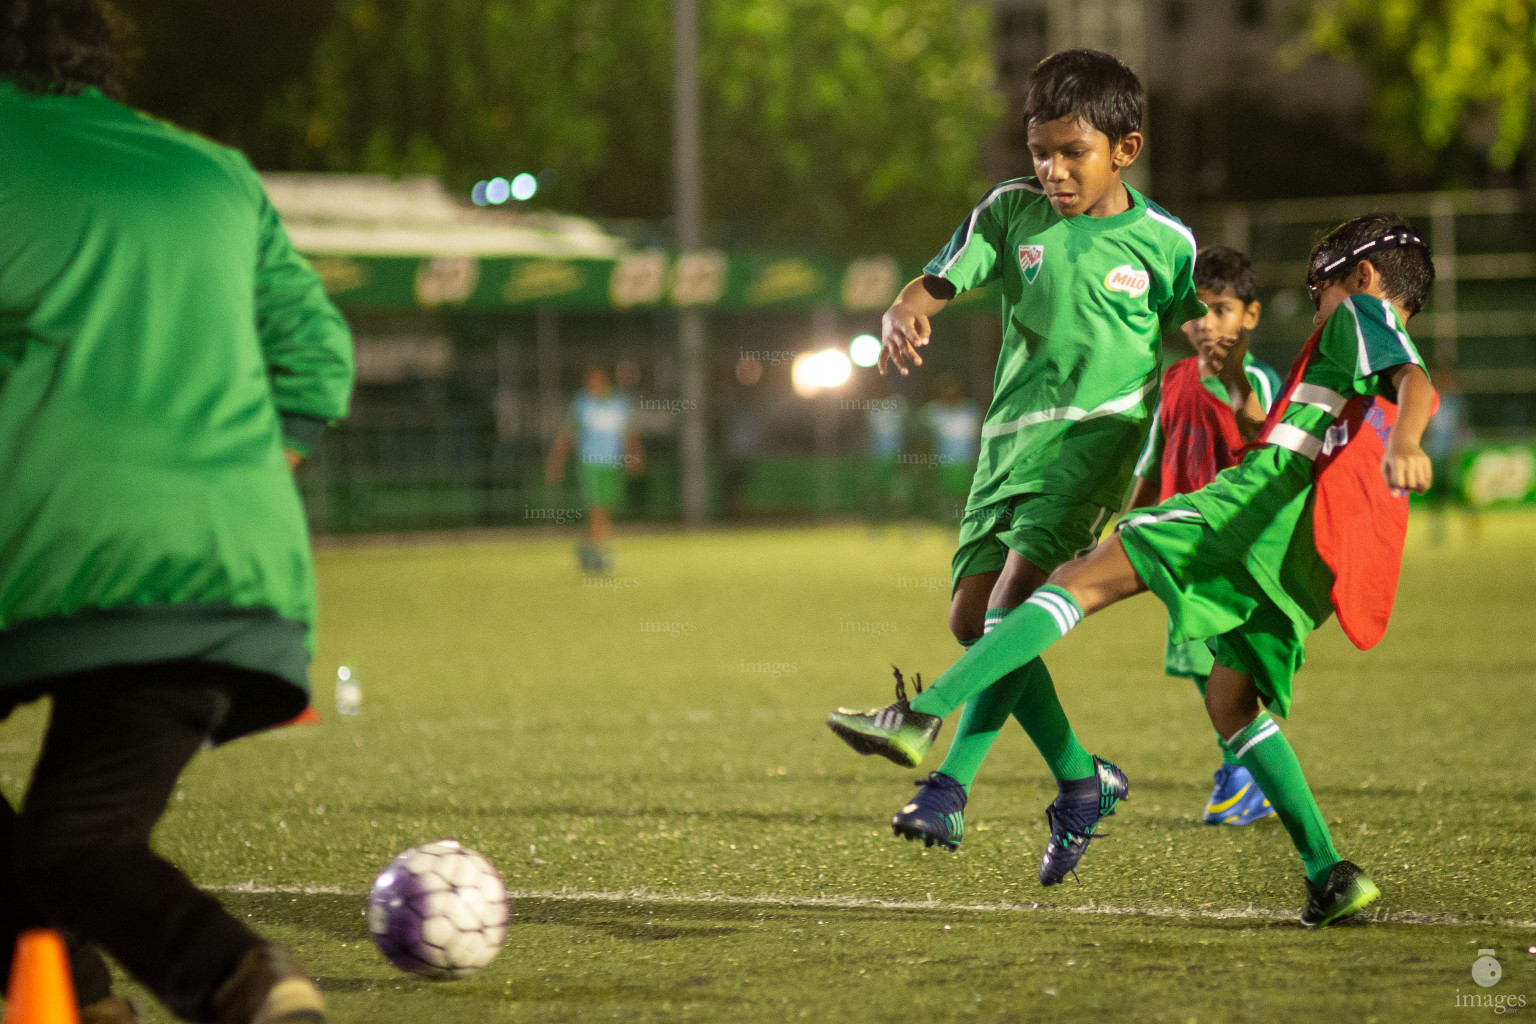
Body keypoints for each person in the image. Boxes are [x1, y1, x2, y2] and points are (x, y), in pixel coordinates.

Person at [828, 213, 1437, 927]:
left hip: (1249, 508)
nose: (1320, 306)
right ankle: (1329, 874)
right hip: (1299, 557)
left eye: (1321, 290)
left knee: (1073, 581)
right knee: (1232, 708)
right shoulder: (1338, 354)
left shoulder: (1364, 313)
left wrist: (1412, 441)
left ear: (1360, 278)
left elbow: (1415, 379)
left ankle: (923, 717)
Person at [0, 1, 354, 1021]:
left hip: (44, 553)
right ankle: (228, 981)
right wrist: (207, 492)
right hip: (235, 568)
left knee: (70, 843)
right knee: (75, 842)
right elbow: (320, 364)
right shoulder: (212, 170)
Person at [871, 48, 1203, 852]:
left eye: (1072, 153)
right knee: (968, 622)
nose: (1053, 170)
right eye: (1040, 152)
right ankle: (1083, 778)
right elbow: (934, 284)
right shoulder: (1008, 213)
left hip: (1098, 444)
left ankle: (947, 788)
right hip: (1010, 441)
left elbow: (1202, 349)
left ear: (1125, 149)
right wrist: (901, 311)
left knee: (1008, 608)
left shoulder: (1166, 244)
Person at [1126, 246, 1282, 826]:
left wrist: (1237, 378)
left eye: (1220, 310)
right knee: (1198, 661)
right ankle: (1244, 768)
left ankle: (1245, 772)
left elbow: (1264, 438)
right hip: (1181, 547)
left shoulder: (1259, 379)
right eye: (1197, 312)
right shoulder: (1173, 380)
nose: (1206, 324)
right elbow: (1152, 460)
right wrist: (1123, 527)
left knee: (1225, 663)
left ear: (1250, 315)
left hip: (1237, 548)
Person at [544, 365, 643, 575]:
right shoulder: (582, 403)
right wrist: (556, 461)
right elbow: (568, 434)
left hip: (612, 463)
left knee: (605, 509)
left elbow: (629, 433)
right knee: (597, 507)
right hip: (590, 464)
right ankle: (602, 554)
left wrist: (634, 457)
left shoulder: (620, 403)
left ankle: (585, 546)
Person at [1422, 367, 1478, 545]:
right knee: (1436, 496)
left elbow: (1462, 426)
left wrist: (1460, 446)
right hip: (1435, 455)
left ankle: (1472, 520)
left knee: (1455, 492)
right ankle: (1437, 532)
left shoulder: (1455, 402)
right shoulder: (1432, 400)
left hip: (1450, 455)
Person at [921, 376, 981, 522]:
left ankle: (963, 518)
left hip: (965, 461)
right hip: (943, 462)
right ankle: (943, 517)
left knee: (964, 492)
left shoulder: (970, 410)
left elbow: (977, 438)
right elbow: (924, 439)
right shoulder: (933, 411)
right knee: (944, 492)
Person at [862, 378, 912, 526]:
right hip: (878, 457)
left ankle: (901, 520)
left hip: (896, 456)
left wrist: (905, 456)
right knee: (878, 490)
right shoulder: (872, 407)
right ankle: (877, 521)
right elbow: (869, 434)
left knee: (899, 491)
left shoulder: (898, 405)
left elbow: (905, 431)